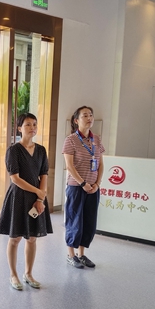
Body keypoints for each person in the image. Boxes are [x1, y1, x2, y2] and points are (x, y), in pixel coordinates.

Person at [0, 113, 52, 290]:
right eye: (28, 124)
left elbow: (44, 174)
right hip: (19, 197)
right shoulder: (13, 150)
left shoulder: (41, 150)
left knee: (32, 238)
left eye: (34, 124)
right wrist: (38, 192)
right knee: (15, 238)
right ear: (19, 128)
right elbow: (15, 178)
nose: (32, 127)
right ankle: (13, 275)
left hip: (36, 199)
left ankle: (28, 273)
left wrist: (40, 198)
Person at [63, 105, 105, 268]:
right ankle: (71, 255)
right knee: (74, 221)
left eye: (91, 115)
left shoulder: (97, 139)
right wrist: (83, 183)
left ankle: (81, 254)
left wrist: (97, 184)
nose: (89, 118)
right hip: (76, 187)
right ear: (76, 120)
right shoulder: (71, 140)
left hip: (93, 188)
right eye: (85, 115)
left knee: (89, 222)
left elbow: (101, 164)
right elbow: (69, 166)